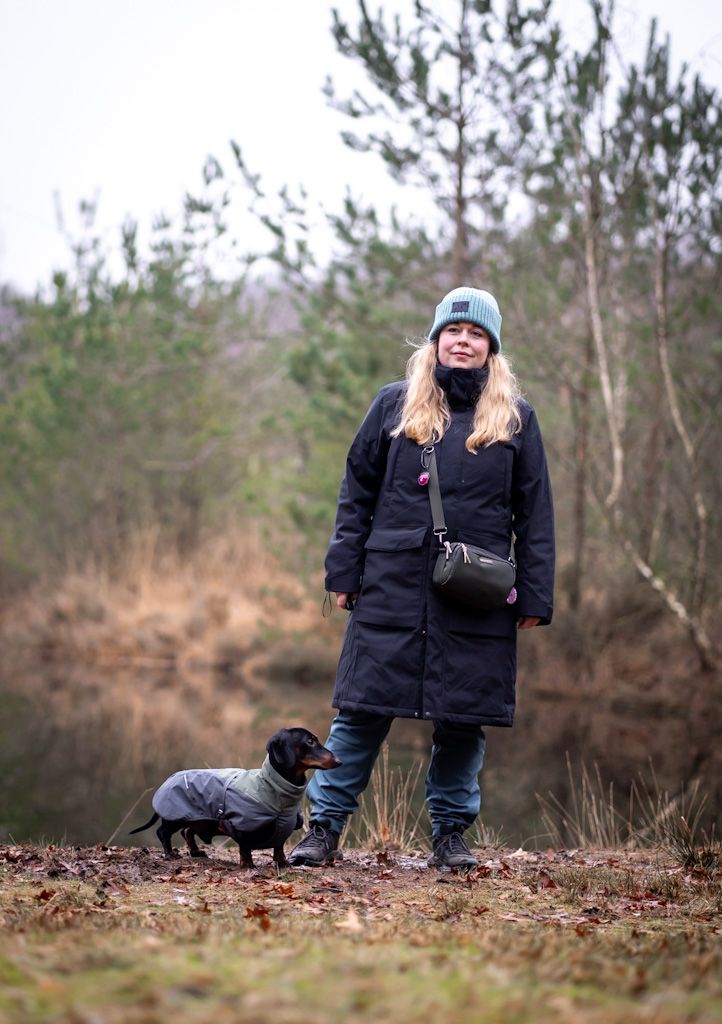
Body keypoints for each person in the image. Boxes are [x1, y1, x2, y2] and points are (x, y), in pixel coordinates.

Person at [288, 286, 555, 869]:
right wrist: (345, 571)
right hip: (391, 586)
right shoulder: (392, 405)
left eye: (476, 333)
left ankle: (450, 837)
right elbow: (355, 494)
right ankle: (323, 829)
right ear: (437, 341)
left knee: (461, 722)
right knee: (360, 711)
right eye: (453, 332)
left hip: (476, 595)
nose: (464, 341)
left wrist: (534, 594)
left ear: (491, 348)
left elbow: (534, 514)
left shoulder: (515, 418)